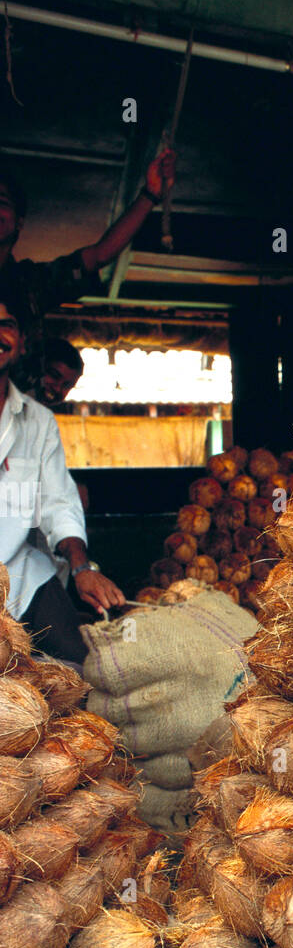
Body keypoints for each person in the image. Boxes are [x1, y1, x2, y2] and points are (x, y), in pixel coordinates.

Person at [0, 294, 124, 663]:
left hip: (22, 574)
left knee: (77, 667)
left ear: (21, 342)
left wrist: (82, 568)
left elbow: (59, 502)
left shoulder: (38, 421)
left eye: (6, 325)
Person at [0, 150, 176, 368]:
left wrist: (150, 194)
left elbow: (100, 254)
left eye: (2, 202)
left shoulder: (31, 283)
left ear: (18, 222)